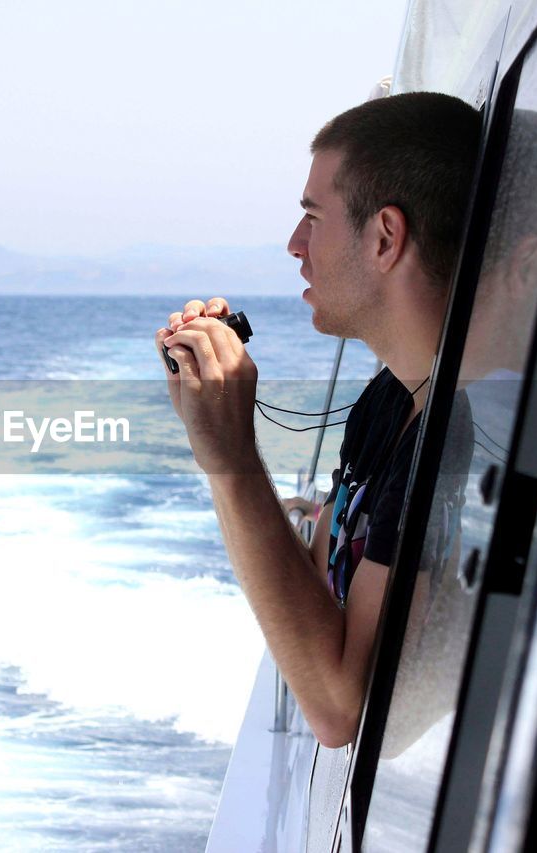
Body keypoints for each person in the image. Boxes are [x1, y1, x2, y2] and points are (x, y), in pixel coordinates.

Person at [153, 92, 480, 748]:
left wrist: (231, 458)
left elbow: (340, 709)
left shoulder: (446, 433)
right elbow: (324, 569)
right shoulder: (389, 399)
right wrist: (208, 418)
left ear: (385, 238)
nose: (295, 245)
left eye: (312, 217)